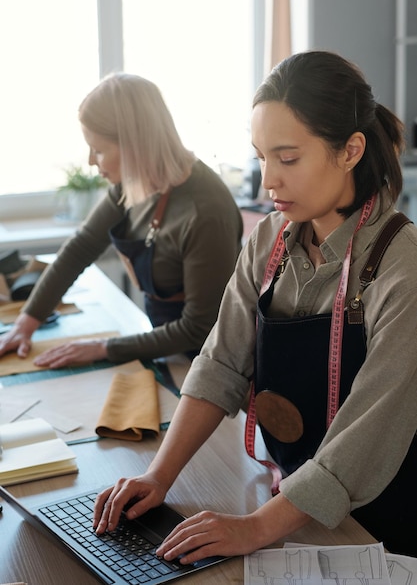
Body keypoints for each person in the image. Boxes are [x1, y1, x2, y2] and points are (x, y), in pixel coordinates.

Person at [92, 51, 417, 560]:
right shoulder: (271, 239)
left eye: (288, 158)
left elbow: (366, 435)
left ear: (352, 149)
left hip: (382, 522)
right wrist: (158, 475)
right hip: (290, 501)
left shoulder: (403, 267)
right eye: (261, 157)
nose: (269, 180)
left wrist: (255, 529)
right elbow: (220, 362)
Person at [0, 73, 243, 365]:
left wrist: (104, 348)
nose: (91, 162)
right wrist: (25, 324)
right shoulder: (131, 183)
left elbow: (199, 328)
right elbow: (81, 248)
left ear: (134, 145)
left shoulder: (205, 213)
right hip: (168, 347)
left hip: (210, 360)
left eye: (99, 150)